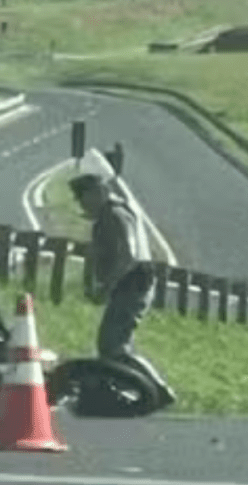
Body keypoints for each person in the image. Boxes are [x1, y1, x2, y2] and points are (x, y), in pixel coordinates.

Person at [68, 172, 178, 407]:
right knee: (110, 344)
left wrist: (107, 286)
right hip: (129, 283)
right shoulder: (108, 215)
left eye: (83, 197)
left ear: (98, 192)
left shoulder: (115, 215)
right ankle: (121, 390)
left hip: (133, 283)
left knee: (115, 345)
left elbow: (127, 255)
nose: (82, 203)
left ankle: (158, 389)